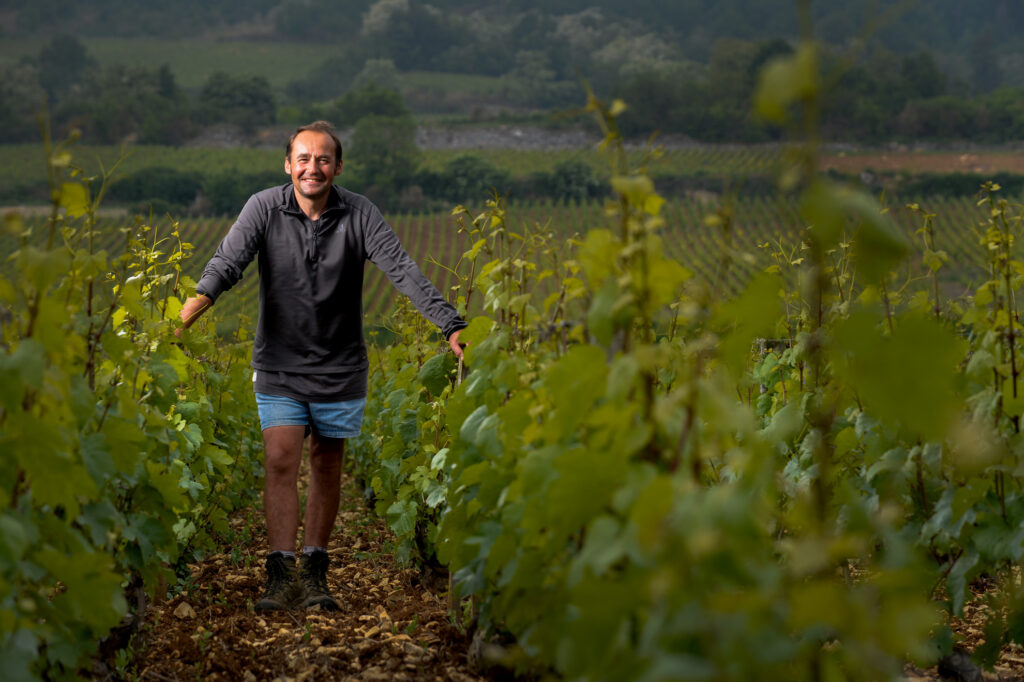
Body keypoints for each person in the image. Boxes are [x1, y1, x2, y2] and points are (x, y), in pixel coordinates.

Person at [178, 121, 465, 611]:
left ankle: (315, 572)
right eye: (304, 158)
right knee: (280, 459)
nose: (314, 167)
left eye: (324, 158)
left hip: (340, 366)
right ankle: (278, 573)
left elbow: (402, 269)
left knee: (327, 465)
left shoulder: (360, 213)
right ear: (288, 164)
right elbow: (228, 264)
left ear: (338, 166)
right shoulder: (264, 208)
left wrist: (451, 324)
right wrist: (185, 314)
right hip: (279, 364)